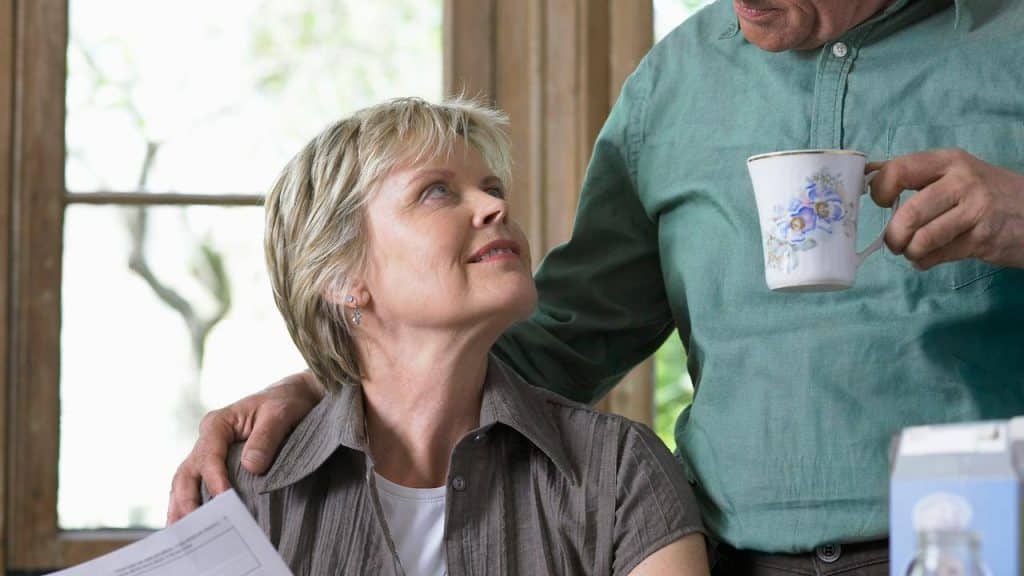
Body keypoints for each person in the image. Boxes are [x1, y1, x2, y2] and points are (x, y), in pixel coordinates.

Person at [172, 1, 1024, 573]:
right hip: (734, 557)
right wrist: (330, 388)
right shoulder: (676, 81)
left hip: (986, 544)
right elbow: (561, 338)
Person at [204, 97, 709, 575]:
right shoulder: (243, 488)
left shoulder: (619, 468)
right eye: (437, 191)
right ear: (341, 279)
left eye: (493, 187)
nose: (494, 207)